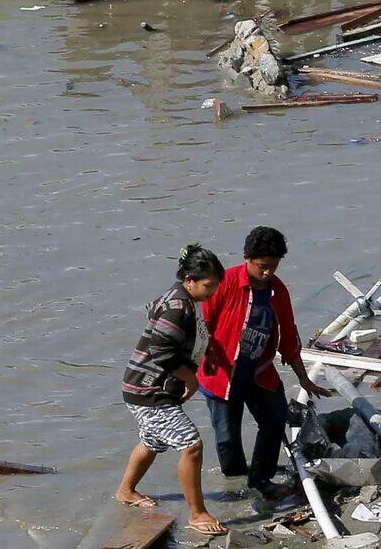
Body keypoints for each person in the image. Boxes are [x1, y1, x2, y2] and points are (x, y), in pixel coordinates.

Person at [197, 226, 335, 504]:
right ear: (247, 258)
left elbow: (288, 335)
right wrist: (196, 364)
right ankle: (237, 491)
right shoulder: (223, 283)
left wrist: (305, 380)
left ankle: (261, 480)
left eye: (273, 267)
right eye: (262, 266)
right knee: (226, 438)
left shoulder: (278, 292)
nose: (267, 273)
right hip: (223, 374)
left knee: (274, 421)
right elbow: (203, 326)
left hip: (259, 372)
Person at [116, 244, 229, 538]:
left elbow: (190, 339)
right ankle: (197, 513)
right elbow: (161, 352)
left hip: (143, 385)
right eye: (208, 285)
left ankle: (126, 491)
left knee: (152, 441)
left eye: (216, 285)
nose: (212, 292)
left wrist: (208, 354)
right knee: (191, 445)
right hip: (148, 389)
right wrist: (192, 379)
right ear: (189, 279)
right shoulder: (177, 307)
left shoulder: (186, 300)